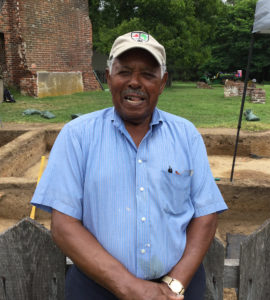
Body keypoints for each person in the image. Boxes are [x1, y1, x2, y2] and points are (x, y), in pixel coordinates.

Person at [31, 31, 227, 300]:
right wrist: (129, 287)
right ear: (109, 77)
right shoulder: (77, 136)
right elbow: (64, 225)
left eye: (148, 74)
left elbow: (205, 214)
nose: (135, 82)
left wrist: (175, 285)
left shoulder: (186, 135)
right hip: (96, 289)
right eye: (124, 72)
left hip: (176, 289)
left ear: (163, 82)